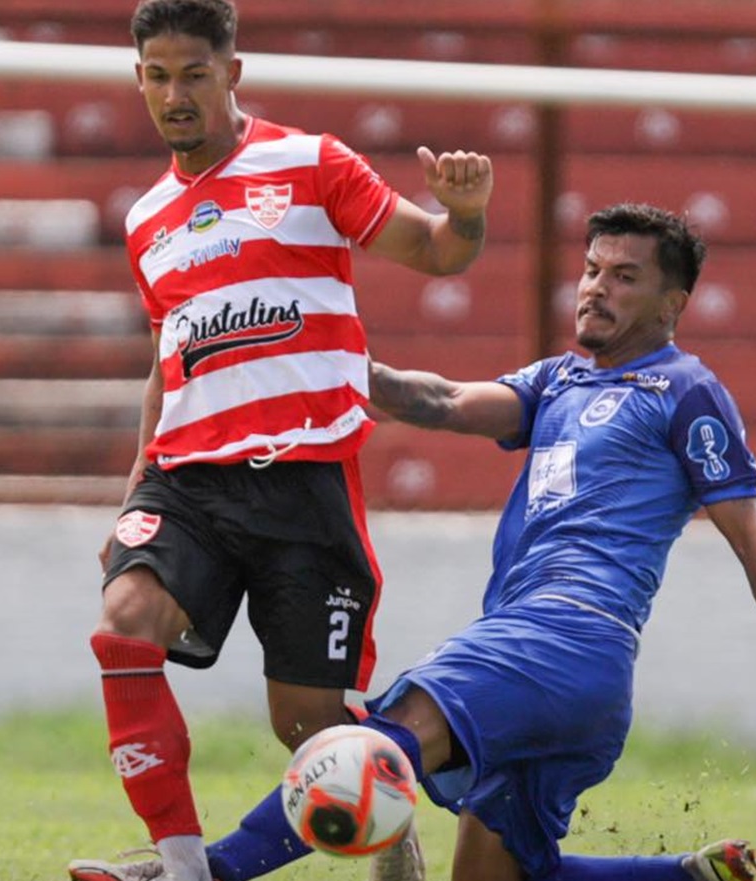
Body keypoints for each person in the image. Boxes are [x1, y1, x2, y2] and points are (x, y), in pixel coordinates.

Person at [74, 203, 756, 881]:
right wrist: (319, 356)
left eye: (625, 277)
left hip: (565, 634)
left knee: (380, 742)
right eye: (591, 269)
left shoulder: (686, 389)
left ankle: (207, 870)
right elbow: (438, 400)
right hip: (569, 673)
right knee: (498, 874)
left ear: (672, 301)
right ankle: (694, 875)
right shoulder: (559, 382)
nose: (595, 288)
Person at [68, 1, 493, 880]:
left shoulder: (310, 164)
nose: (175, 94)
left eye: (193, 73)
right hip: (188, 481)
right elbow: (168, 359)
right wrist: (131, 494)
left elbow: (438, 252)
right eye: (157, 75)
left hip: (304, 481)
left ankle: (391, 817)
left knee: (308, 725)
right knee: (125, 625)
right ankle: (186, 865)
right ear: (138, 80)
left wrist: (467, 216)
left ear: (233, 73)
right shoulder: (147, 216)